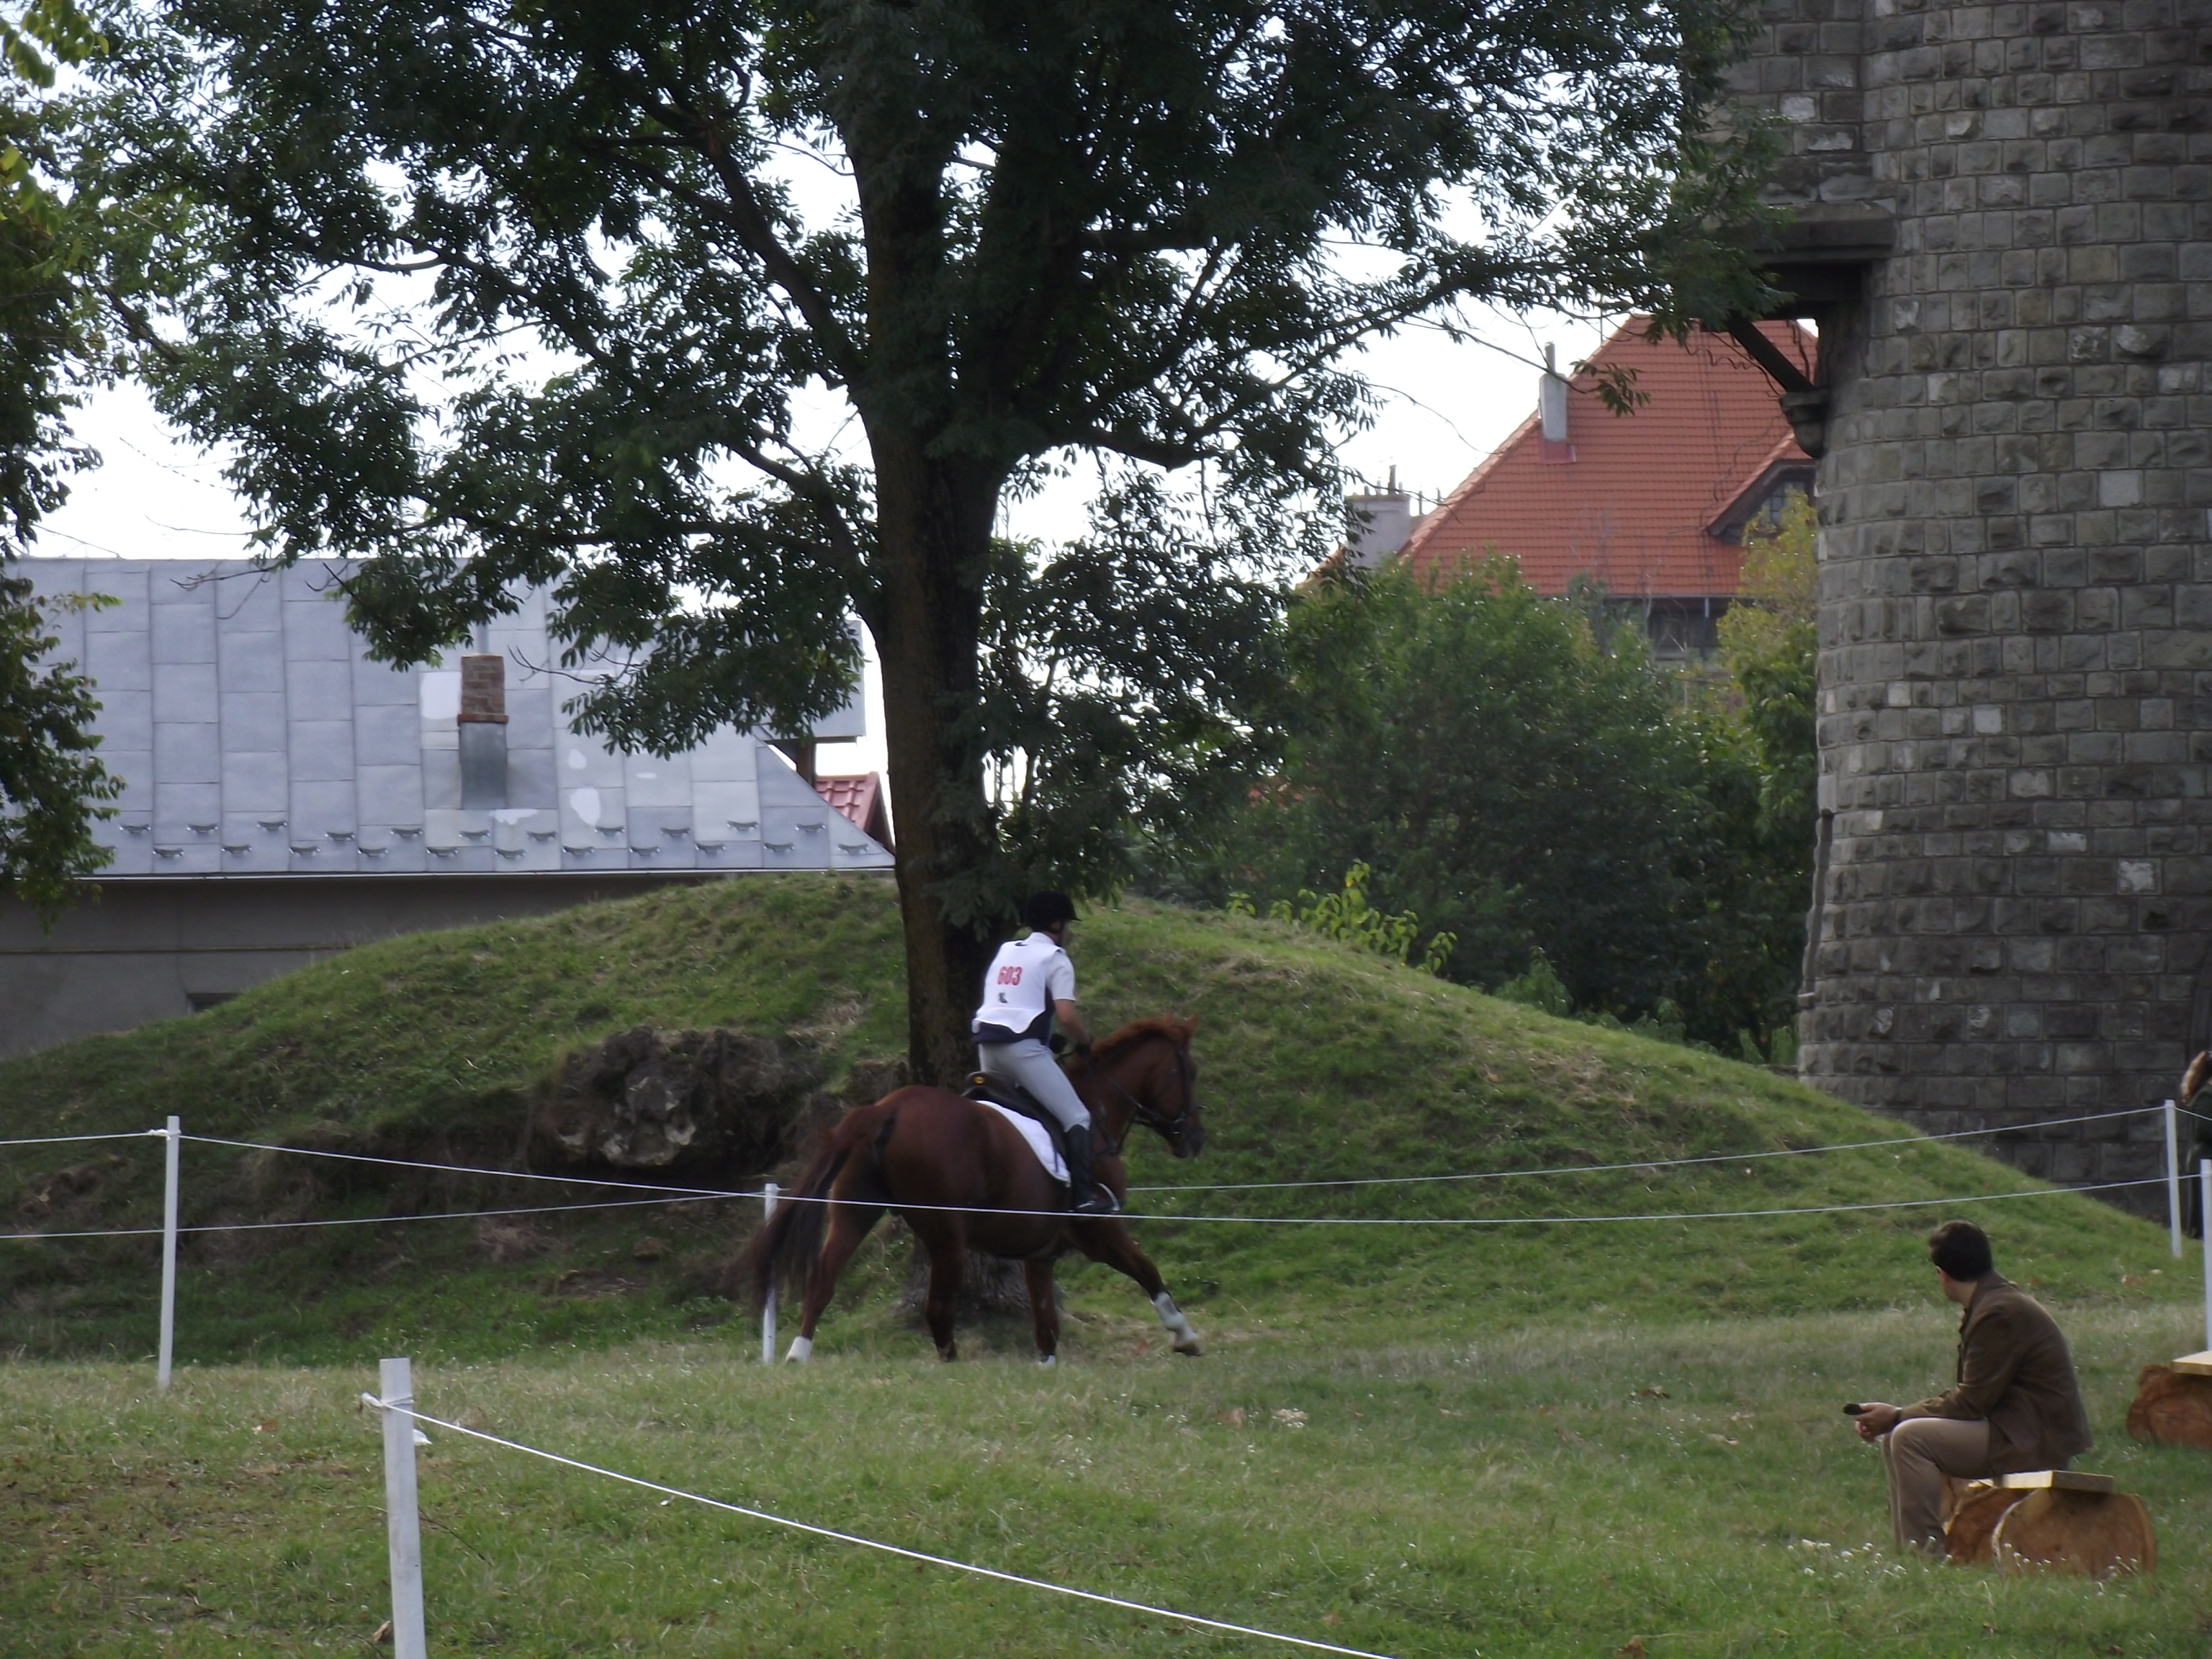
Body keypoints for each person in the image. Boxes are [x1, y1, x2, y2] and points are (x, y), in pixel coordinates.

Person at [1849, 1220, 2092, 1555]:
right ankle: (1908, 1552)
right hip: (2020, 1429)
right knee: (1898, 1435)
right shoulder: (1996, 1302)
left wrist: (1898, 1415)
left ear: (1943, 1274)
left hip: (2033, 1439)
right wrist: (1897, 1418)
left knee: (1908, 1437)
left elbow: (1970, 1403)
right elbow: (1974, 1397)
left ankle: (1925, 1554)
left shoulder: (1998, 1313)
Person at [972, 890, 1119, 1215]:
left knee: (1010, 1118)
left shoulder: (1007, 950)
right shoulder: (1055, 959)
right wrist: (1084, 1041)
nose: (1069, 930)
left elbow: (1012, 1002)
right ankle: (1082, 1197)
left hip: (987, 1047)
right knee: (1077, 1117)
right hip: (1022, 1051)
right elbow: (1067, 1016)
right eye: (1067, 923)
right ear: (1056, 924)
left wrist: (1048, 1040)